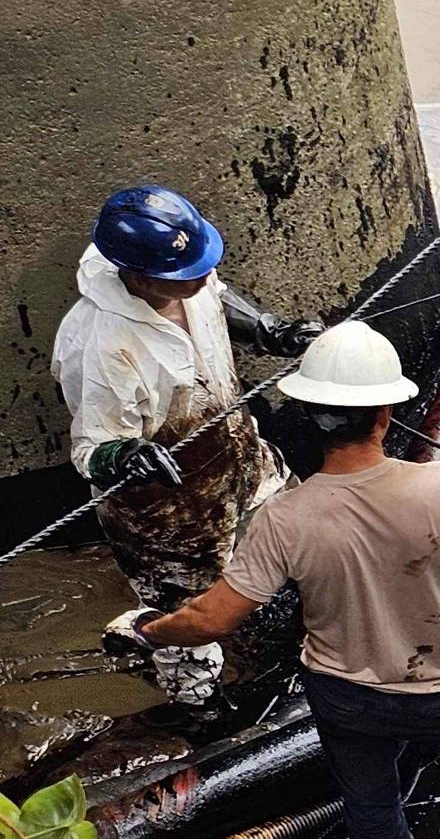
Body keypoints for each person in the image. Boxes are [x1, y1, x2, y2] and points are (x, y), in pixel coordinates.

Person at [107, 321, 440, 839]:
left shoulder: (286, 518)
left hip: (346, 696)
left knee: (371, 804)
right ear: (386, 412)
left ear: (311, 416)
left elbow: (213, 618)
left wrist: (148, 630)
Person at [52, 186, 320, 696]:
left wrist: (271, 331)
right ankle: (197, 708)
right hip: (168, 508)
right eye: (184, 273)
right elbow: (91, 448)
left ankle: (317, 629)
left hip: (242, 456)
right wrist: (124, 456)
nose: (200, 274)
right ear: (135, 275)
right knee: (188, 622)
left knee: (303, 529)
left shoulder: (184, 275)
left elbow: (215, 297)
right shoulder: (101, 345)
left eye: (201, 262)